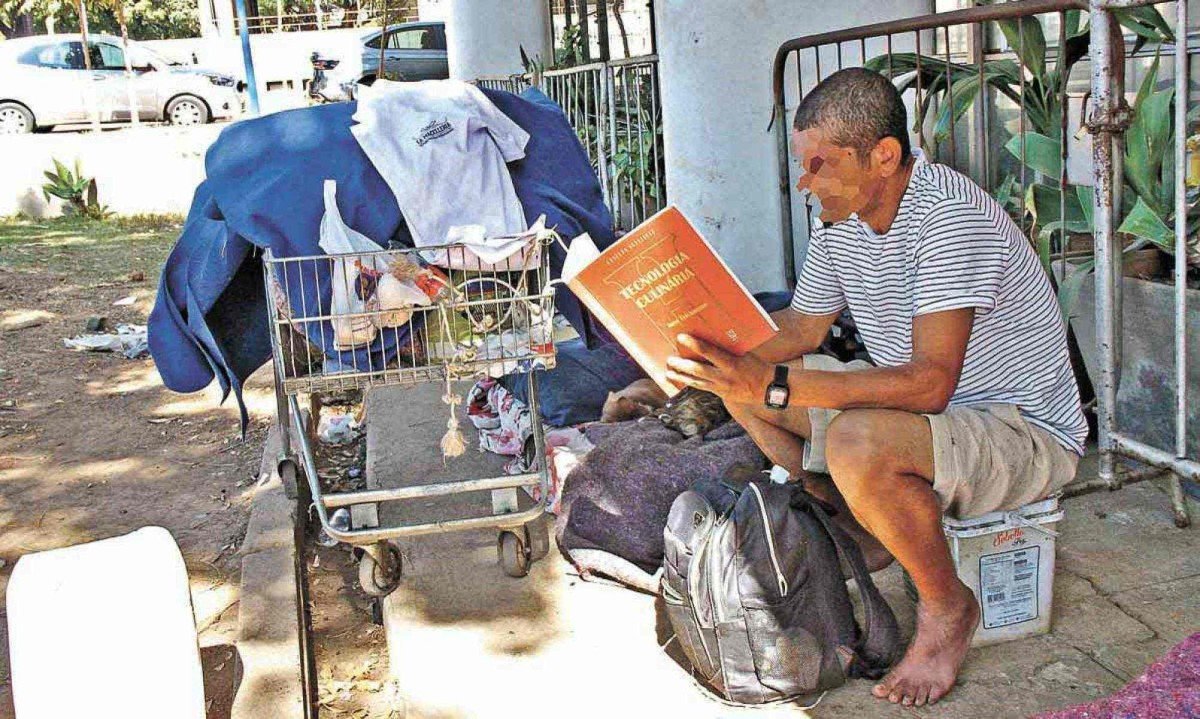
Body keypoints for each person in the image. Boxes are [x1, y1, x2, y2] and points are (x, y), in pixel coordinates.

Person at [664, 67, 1086, 707]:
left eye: (819, 165)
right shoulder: (842, 223)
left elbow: (930, 385)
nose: (805, 183)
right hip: (921, 418)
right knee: (741, 390)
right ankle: (864, 529)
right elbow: (803, 327)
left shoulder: (949, 219)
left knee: (851, 437)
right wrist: (701, 353)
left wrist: (775, 385)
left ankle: (948, 608)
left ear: (883, 156)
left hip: (1020, 430)